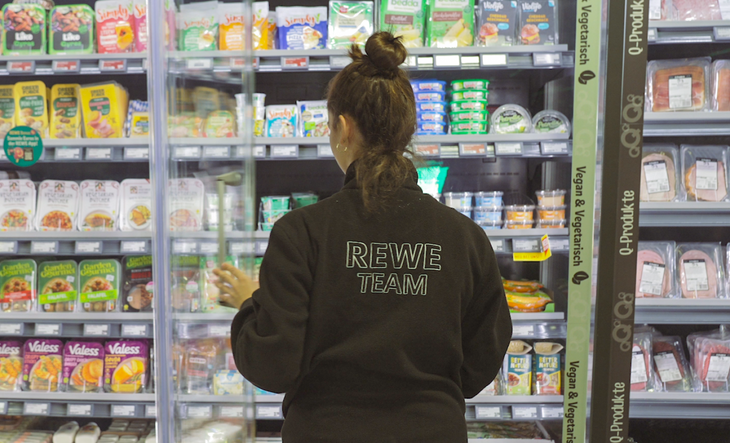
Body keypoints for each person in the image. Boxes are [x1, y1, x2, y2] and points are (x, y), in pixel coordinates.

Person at [213, 32, 512, 442]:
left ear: (343, 127)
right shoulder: (465, 236)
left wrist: (252, 303)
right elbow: (482, 360)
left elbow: (272, 366)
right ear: (407, 129)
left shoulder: (300, 232)